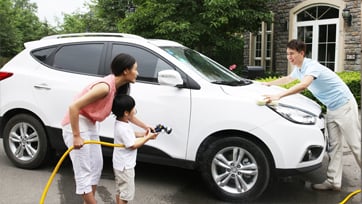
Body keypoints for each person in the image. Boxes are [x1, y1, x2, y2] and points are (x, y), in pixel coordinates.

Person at [263, 39, 361, 191]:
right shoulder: (299, 69)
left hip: (345, 105)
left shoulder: (311, 66)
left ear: (301, 53)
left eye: (292, 54)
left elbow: (303, 85)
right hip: (332, 108)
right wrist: (268, 84)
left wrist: (279, 96)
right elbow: (288, 79)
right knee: (334, 147)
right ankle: (333, 181)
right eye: (287, 54)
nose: (289, 57)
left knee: (355, 145)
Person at [61, 53, 152, 204]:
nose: (137, 72)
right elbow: (74, 107)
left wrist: (145, 127)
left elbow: (127, 113)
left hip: (90, 123)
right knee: (83, 170)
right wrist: (76, 136)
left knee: (96, 166)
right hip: (76, 125)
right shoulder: (105, 87)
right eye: (135, 69)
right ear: (125, 71)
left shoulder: (119, 89)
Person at [111, 94, 158, 204]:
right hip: (125, 167)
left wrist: (143, 134)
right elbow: (132, 145)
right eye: (133, 109)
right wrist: (148, 137)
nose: (135, 110)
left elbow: (130, 135)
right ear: (126, 113)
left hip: (119, 164)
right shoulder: (122, 128)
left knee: (120, 191)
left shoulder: (121, 122)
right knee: (125, 195)